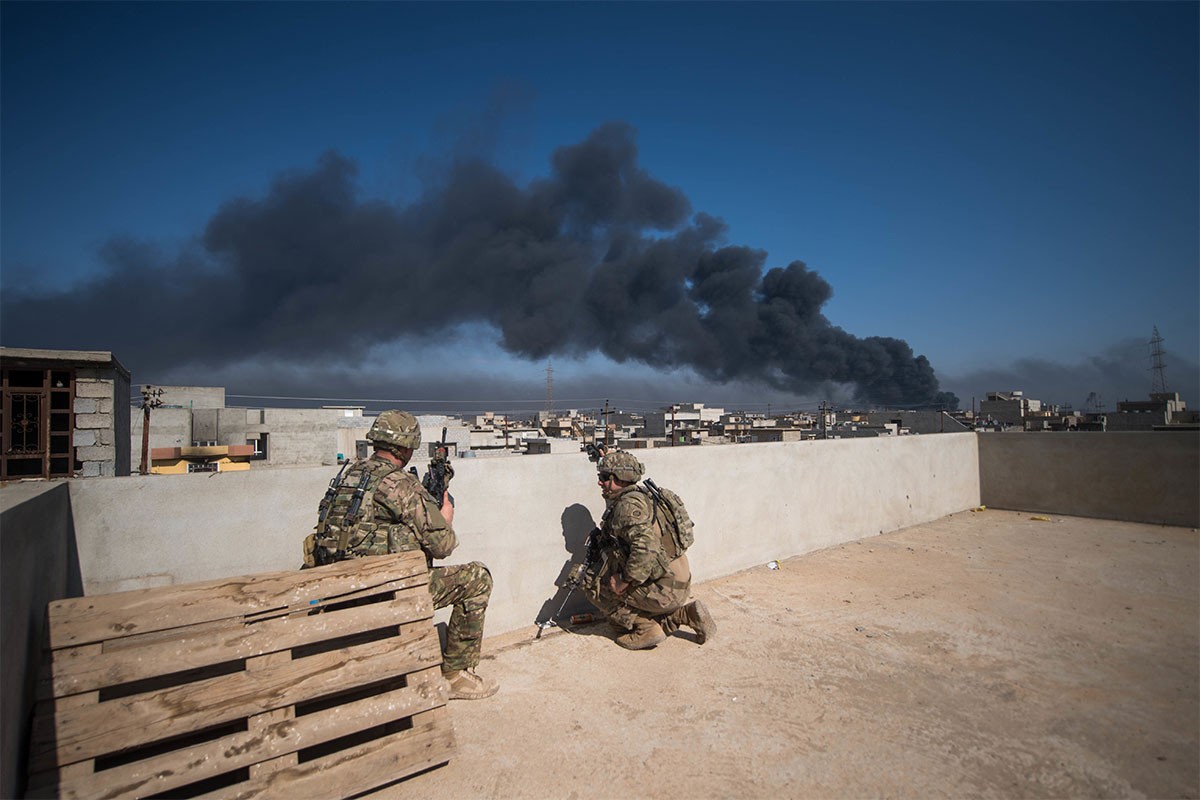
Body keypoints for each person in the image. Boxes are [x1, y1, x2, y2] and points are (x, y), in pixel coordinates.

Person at [308, 409, 498, 700]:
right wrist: (445, 516)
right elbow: (443, 546)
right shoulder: (400, 485)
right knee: (478, 578)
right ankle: (455, 675)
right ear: (406, 447)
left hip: (336, 587)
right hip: (380, 592)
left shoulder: (349, 474)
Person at [582, 450, 715, 650]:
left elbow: (646, 547)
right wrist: (609, 457)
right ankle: (684, 615)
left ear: (619, 478)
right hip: (678, 582)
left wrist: (624, 581)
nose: (599, 482)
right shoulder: (645, 497)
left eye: (603, 478)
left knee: (592, 583)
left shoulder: (627, 508)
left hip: (664, 591)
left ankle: (645, 629)